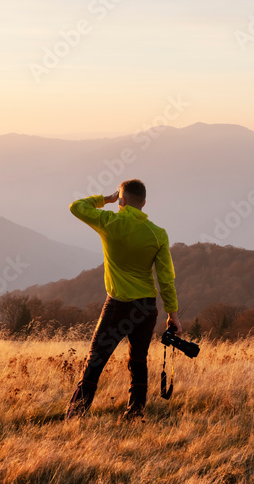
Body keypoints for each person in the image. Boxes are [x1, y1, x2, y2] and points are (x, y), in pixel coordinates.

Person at [65, 178, 180, 421]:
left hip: (118, 304)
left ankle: (76, 413)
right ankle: (135, 412)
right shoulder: (158, 234)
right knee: (138, 359)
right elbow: (166, 278)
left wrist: (105, 200)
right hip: (146, 307)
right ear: (144, 203)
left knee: (96, 358)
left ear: (122, 200)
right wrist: (173, 315)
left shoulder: (109, 221)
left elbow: (76, 207)